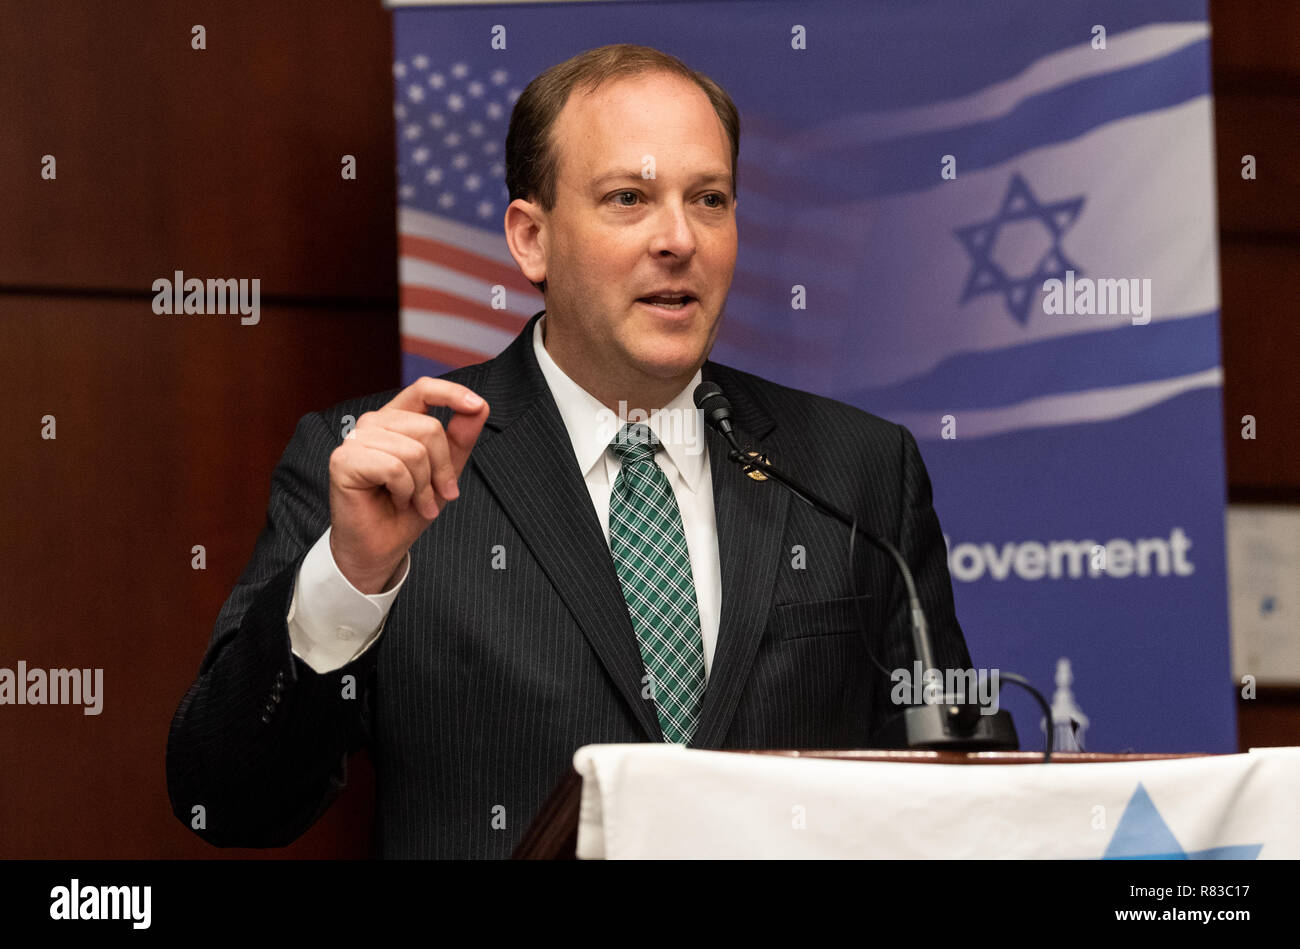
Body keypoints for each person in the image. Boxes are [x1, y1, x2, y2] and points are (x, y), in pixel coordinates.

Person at [166, 43, 973, 859]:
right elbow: (226, 800)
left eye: (710, 199)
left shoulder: (857, 469)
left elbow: (948, 800)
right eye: (629, 197)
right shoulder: (390, 470)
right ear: (531, 240)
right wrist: (349, 579)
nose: (678, 239)